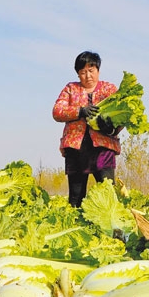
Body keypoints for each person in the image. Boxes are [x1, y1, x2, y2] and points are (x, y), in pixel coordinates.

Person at [52, 51, 122, 208]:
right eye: (82, 72)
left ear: (98, 70)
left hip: (103, 147)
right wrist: (79, 111)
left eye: (91, 71)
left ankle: (112, 230)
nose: (87, 76)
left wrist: (111, 128)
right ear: (78, 74)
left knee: (108, 193)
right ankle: (74, 227)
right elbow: (57, 111)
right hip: (76, 148)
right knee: (76, 196)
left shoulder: (109, 89)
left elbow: (123, 115)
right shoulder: (71, 88)